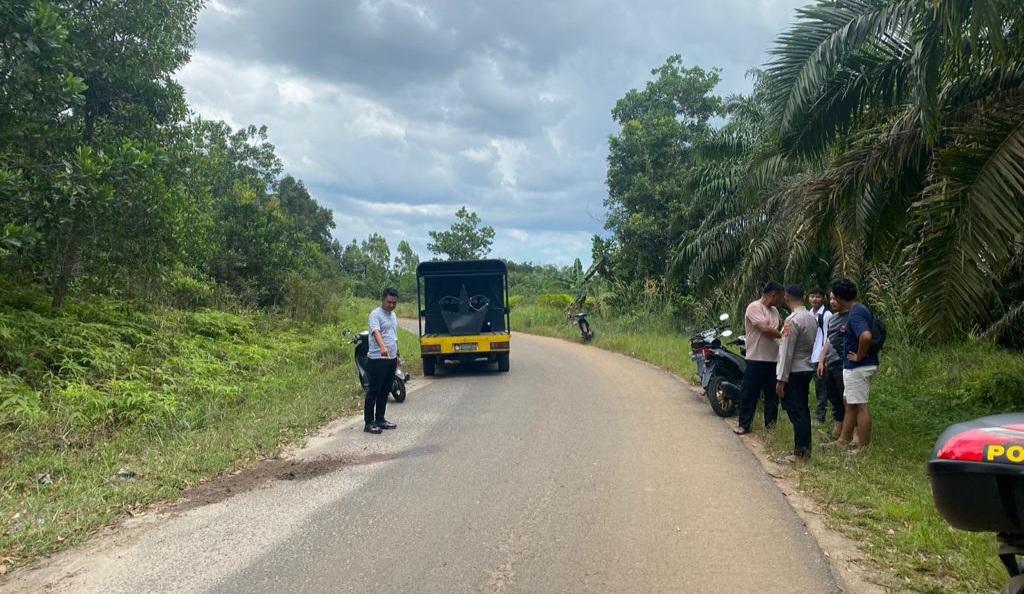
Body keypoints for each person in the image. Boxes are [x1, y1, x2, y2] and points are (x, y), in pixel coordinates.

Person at [829, 278, 878, 454]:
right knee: (850, 402)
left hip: (859, 366)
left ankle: (862, 447)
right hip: (855, 366)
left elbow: (865, 336)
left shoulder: (856, 313)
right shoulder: (860, 309)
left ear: (841, 298)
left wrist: (859, 355)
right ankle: (843, 440)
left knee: (861, 405)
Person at [734, 281, 785, 436]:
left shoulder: (775, 311)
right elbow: (764, 328)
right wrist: (784, 336)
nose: (780, 301)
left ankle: (770, 426)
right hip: (756, 358)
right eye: (780, 297)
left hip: (773, 359)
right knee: (750, 392)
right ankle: (744, 424)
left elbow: (780, 326)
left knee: (772, 394)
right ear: (773, 294)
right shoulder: (754, 307)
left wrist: (784, 332)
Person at [775, 285, 817, 461]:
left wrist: (781, 379)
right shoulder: (811, 318)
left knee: (796, 411)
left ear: (786, 298)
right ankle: (804, 449)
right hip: (807, 368)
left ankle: (800, 452)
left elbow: (786, 352)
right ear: (805, 297)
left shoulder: (791, 321)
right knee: (803, 410)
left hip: (794, 370)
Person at [364, 287, 400, 434]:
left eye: (394, 303)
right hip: (378, 358)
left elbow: (394, 335)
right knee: (374, 390)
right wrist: (382, 347)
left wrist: (396, 354)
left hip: (391, 359)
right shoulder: (375, 314)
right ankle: (369, 422)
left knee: (385, 390)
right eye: (389, 302)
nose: (391, 305)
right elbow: (376, 332)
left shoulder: (393, 315)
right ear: (382, 300)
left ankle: (380, 419)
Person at [816, 292, 847, 441]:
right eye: (832, 299)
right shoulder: (833, 319)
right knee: (834, 398)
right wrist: (822, 361)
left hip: (844, 364)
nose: (833, 302)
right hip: (831, 363)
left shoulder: (851, 317)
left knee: (846, 399)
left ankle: (850, 434)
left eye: (836, 298)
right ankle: (837, 431)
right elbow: (828, 341)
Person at [808, 287, 833, 423]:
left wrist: (823, 359)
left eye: (817, 297)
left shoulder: (827, 315)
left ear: (823, 298)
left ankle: (820, 416)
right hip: (809, 355)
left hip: (820, 357)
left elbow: (828, 337)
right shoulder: (809, 313)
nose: (814, 299)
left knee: (821, 388)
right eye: (812, 296)